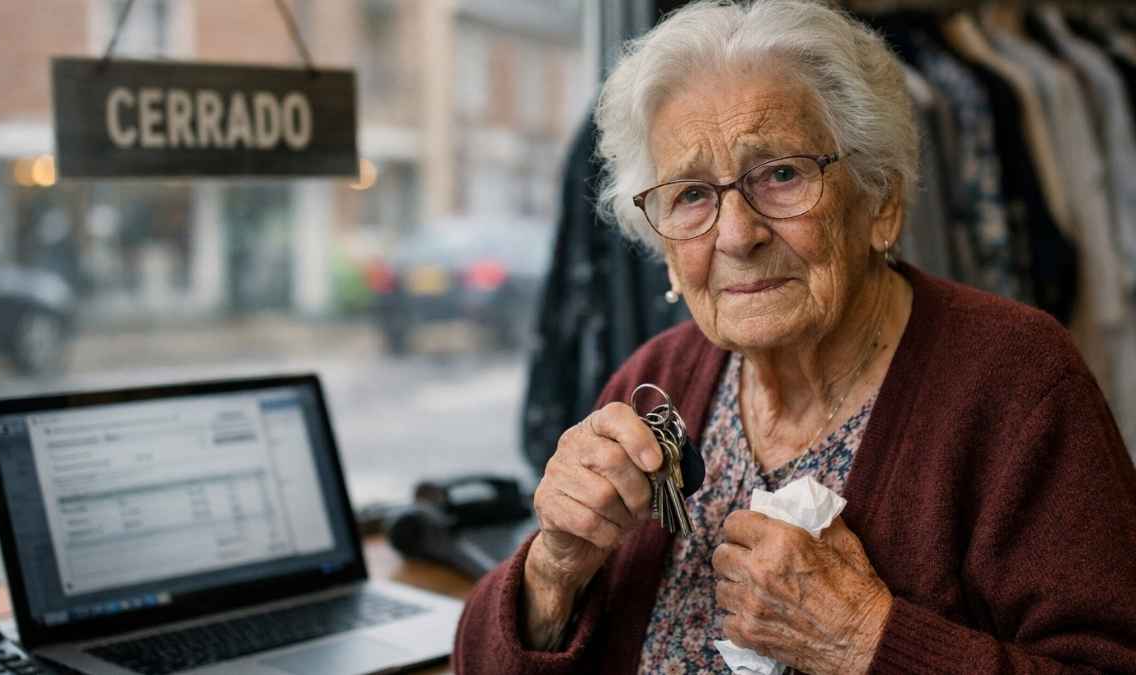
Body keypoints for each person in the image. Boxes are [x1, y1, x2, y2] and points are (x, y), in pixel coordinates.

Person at [453, 1, 1136, 673]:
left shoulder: (1016, 381)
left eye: (781, 174)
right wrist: (553, 570)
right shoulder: (654, 380)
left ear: (880, 201)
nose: (736, 235)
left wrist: (865, 638)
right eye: (690, 194)